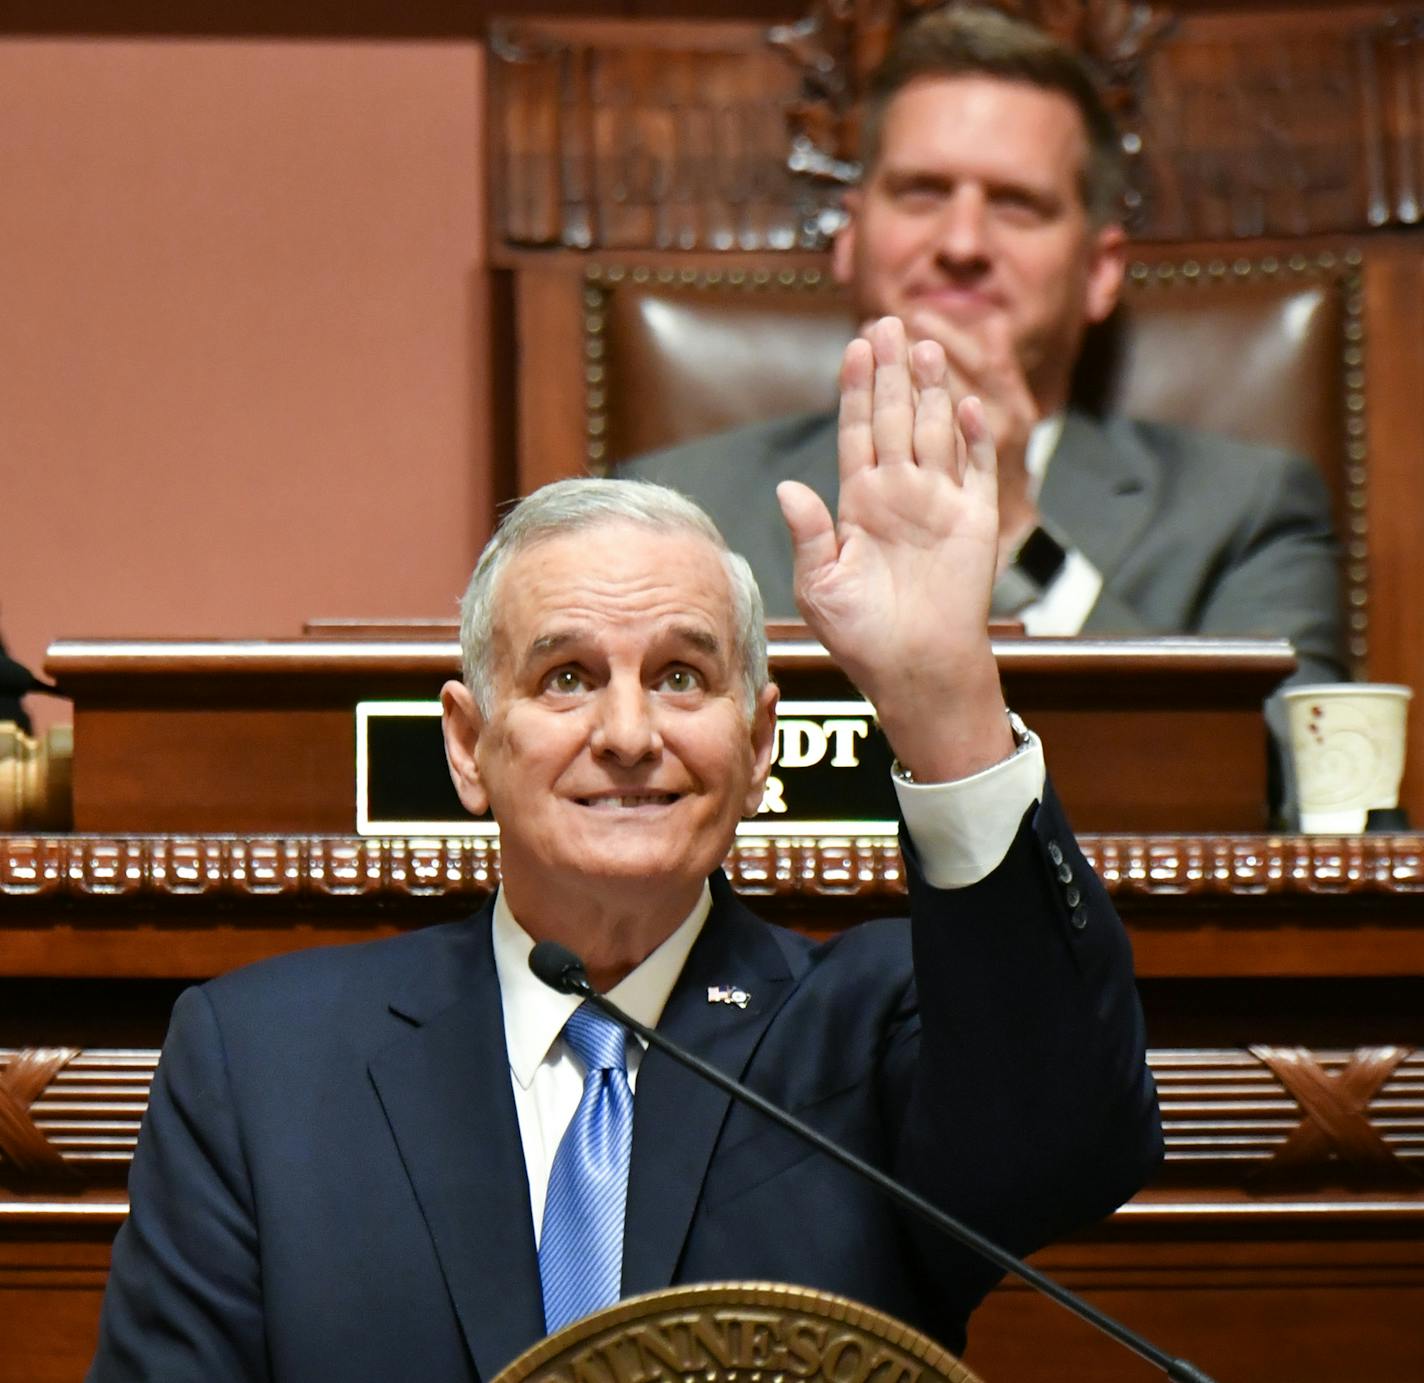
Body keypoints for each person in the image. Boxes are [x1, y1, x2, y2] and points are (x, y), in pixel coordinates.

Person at [89, 320, 1161, 1382]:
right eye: (566, 678)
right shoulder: (263, 1063)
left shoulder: (869, 1031)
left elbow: (1069, 1148)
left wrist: (942, 699)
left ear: (755, 747)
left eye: (681, 677)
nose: (629, 735)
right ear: (469, 747)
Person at [619, 4, 1346, 689]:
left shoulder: (1246, 512)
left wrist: (1020, 535)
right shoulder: (679, 506)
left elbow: (1283, 775)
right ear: (850, 239)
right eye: (921, 193)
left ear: (1099, 270)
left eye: (1016, 204)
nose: (962, 244)